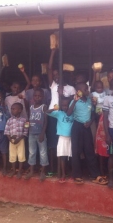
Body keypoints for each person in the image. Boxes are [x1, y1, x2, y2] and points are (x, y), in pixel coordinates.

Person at [67, 82, 107, 185]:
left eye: (87, 89)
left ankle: (95, 175)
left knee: (89, 151)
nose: (87, 91)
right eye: (85, 89)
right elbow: (69, 113)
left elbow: (93, 114)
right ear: (78, 92)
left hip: (87, 127)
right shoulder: (74, 101)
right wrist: (75, 101)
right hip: (77, 127)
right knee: (76, 151)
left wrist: (90, 122)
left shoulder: (90, 100)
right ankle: (77, 175)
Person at [47, 48, 75, 176]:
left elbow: (75, 101)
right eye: (55, 75)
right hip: (54, 116)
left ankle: (66, 169)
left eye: (58, 74)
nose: (56, 76)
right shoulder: (53, 85)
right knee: (54, 144)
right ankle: (55, 169)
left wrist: (63, 95)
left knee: (68, 145)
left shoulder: (70, 88)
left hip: (66, 119)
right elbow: (48, 69)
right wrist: (53, 52)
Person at [47, 97, 74, 183]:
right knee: (62, 157)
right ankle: (63, 174)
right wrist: (54, 108)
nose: (65, 107)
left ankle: (72, 174)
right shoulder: (59, 113)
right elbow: (47, 112)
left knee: (72, 157)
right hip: (62, 138)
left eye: (66, 105)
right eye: (63, 105)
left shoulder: (73, 113)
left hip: (71, 138)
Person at [25, 89, 49, 181]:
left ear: (43, 97)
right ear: (33, 97)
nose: (37, 97)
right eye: (35, 96)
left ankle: (43, 171)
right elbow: (29, 118)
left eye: (39, 96)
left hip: (40, 133)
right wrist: (27, 127)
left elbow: (46, 121)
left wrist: (43, 133)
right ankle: (31, 170)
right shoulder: (31, 107)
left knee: (43, 153)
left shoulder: (44, 107)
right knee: (32, 152)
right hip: (31, 133)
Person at [4, 103, 28, 179]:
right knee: (12, 156)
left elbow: (26, 131)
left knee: (21, 156)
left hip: (20, 140)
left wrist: (19, 138)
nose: (12, 110)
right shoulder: (9, 120)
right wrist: (10, 139)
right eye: (12, 109)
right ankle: (14, 170)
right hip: (12, 141)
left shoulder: (25, 120)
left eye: (14, 109)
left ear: (20, 110)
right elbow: (7, 131)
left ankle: (20, 171)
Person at [92, 80, 109, 175]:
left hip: (104, 115)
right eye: (98, 87)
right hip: (98, 115)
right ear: (95, 88)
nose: (100, 89)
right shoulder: (93, 94)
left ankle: (104, 167)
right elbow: (94, 104)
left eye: (101, 87)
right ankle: (100, 168)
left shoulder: (105, 93)